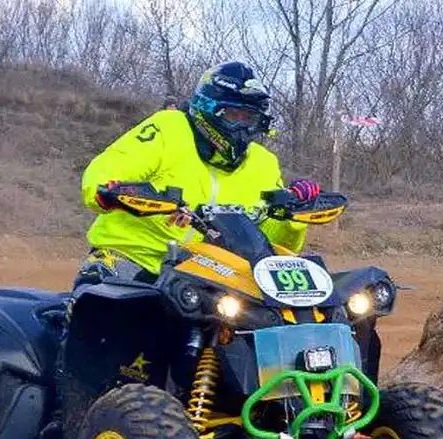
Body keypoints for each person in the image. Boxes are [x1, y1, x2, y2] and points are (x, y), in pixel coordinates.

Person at [75, 61, 321, 287]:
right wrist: (109, 190)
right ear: (208, 109)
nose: (242, 125)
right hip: (135, 261)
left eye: (250, 118)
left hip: (211, 277)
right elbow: (109, 167)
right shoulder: (169, 129)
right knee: (112, 312)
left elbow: (266, 244)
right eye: (233, 115)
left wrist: (293, 217)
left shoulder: (264, 163)